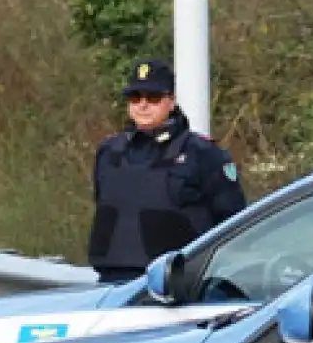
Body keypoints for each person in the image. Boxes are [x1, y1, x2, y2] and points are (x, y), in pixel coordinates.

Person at [87, 58, 248, 285]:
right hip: (112, 283)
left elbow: (233, 223)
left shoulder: (203, 154)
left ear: (171, 102)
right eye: (135, 97)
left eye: (153, 98)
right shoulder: (109, 152)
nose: (143, 105)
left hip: (177, 289)